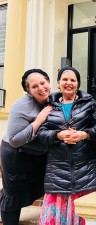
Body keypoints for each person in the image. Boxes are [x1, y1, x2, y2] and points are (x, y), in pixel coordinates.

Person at [37, 66, 96, 225]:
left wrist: (84, 134)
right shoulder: (49, 106)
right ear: (58, 83)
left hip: (85, 169)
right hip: (57, 171)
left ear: (78, 84)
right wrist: (57, 135)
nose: (69, 83)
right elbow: (41, 133)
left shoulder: (89, 103)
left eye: (73, 80)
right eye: (65, 79)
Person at [0, 69, 53, 225]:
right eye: (34, 86)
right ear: (29, 91)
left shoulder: (54, 99)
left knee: (43, 186)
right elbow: (15, 139)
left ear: (48, 82)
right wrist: (38, 120)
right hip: (17, 155)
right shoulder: (20, 107)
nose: (41, 88)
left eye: (43, 83)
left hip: (38, 155)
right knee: (13, 196)